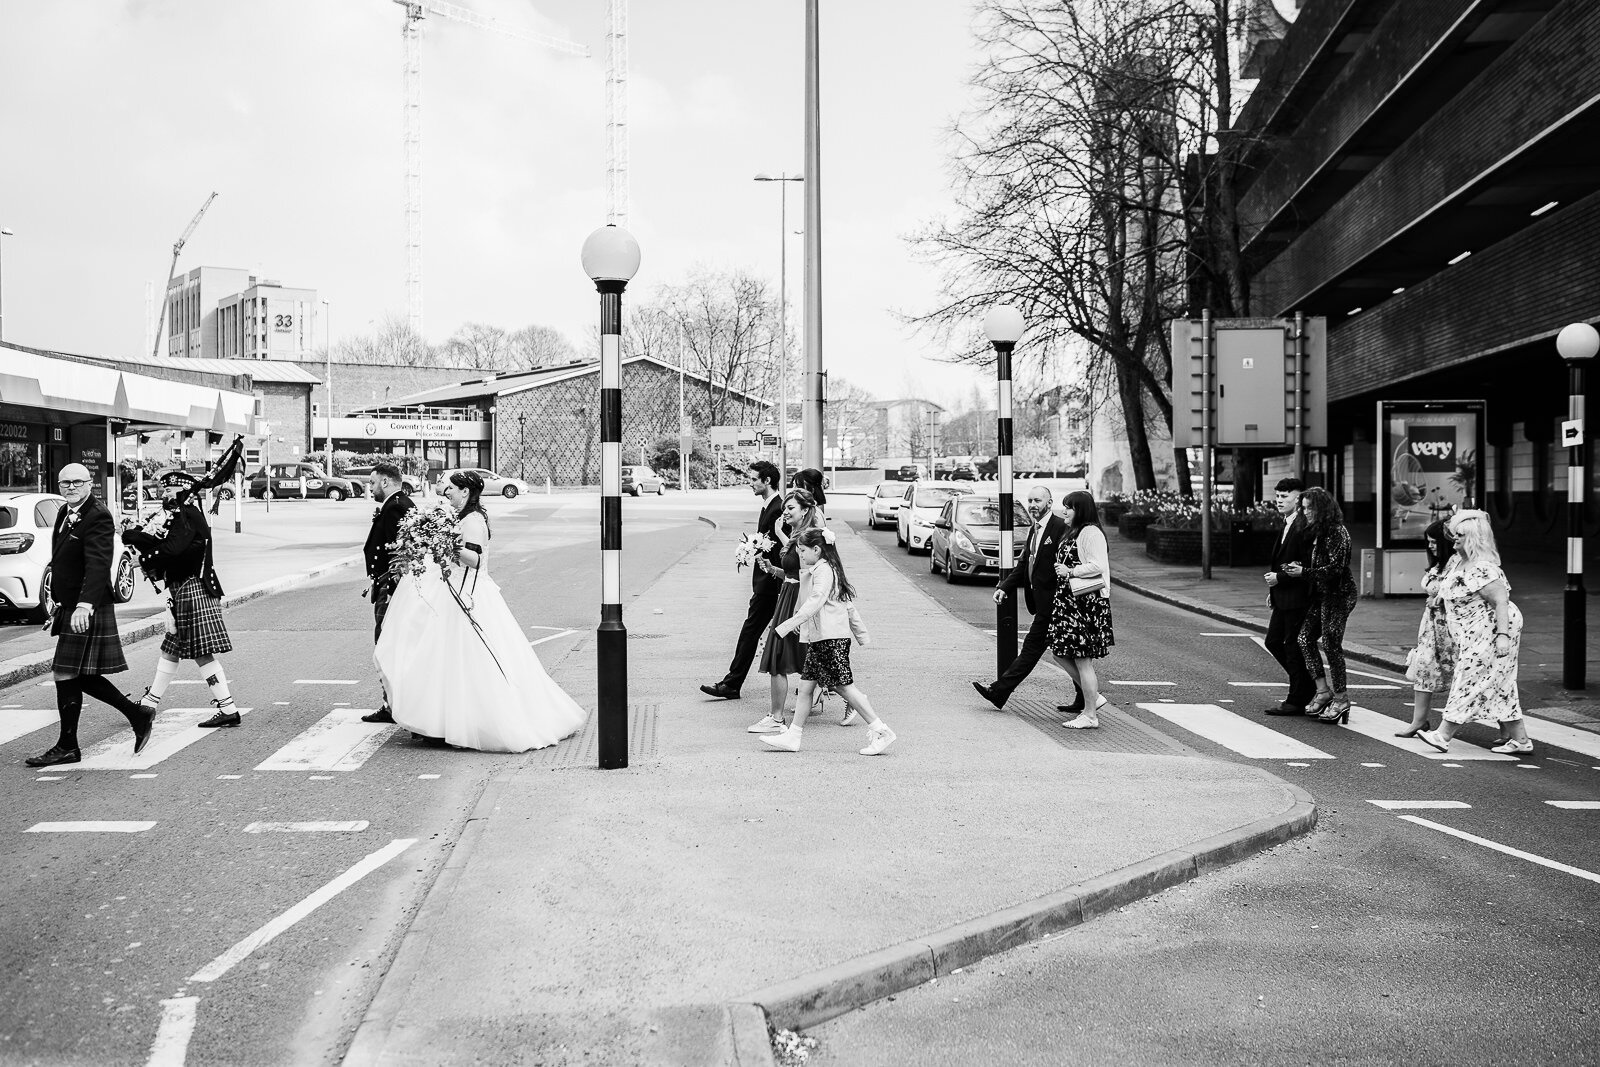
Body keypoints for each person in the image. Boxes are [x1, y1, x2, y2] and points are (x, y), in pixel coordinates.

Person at [375, 471, 587, 751]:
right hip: (450, 591)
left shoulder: (473, 521)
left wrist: (445, 543)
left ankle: (462, 722)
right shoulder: (460, 517)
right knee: (442, 660)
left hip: (468, 595)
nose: (446, 492)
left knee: (466, 662)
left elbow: (474, 560)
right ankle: (440, 720)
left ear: (466, 492)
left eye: (451, 488)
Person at [25, 464, 154, 768]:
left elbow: (98, 564)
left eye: (77, 482)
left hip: (88, 605)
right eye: (65, 482)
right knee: (79, 674)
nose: (70, 487)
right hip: (71, 604)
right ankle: (136, 716)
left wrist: (84, 605)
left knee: (65, 672)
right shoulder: (63, 512)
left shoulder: (97, 514)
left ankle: (68, 746)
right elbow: (63, 561)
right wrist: (59, 603)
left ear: (90, 484)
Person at [760, 527, 894, 754]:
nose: (800, 554)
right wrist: (861, 634)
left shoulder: (823, 571)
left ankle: (880, 730)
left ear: (816, 549)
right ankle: (793, 735)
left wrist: (784, 626)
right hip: (823, 638)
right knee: (805, 688)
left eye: (802, 550)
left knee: (844, 687)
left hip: (829, 640)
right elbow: (848, 606)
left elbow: (815, 601)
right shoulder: (828, 569)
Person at [122, 471, 239, 728]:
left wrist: (142, 557)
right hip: (183, 590)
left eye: (168, 491)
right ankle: (149, 705)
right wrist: (135, 536)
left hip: (191, 589)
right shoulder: (182, 516)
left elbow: (172, 550)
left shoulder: (188, 515)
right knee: (171, 651)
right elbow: (168, 546)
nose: (164, 495)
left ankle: (227, 708)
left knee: (202, 654)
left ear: (183, 491)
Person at [1418, 510, 1533, 756]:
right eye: (1454, 534)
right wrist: (1439, 598)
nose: (1454, 539)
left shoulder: (1484, 568)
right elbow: (1454, 588)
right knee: (1501, 684)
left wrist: (1502, 637)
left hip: (1491, 631)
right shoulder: (1459, 562)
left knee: (1468, 679)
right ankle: (1521, 740)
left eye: (1459, 535)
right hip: (1472, 631)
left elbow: (1501, 602)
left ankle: (1443, 734)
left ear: (1472, 539)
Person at [972, 486, 1081, 713]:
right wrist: (1005, 587)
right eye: (1030, 500)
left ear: (1049, 503)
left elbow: (1072, 562)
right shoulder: (1035, 528)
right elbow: (1024, 564)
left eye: (1037, 501)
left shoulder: (1060, 527)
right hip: (1044, 605)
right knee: (1067, 653)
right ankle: (1086, 698)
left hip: (1056, 605)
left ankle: (998, 691)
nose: (1032, 505)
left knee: (1033, 651)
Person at [701, 461, 783, 701]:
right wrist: (751, 550)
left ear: (767, 481)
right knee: (763, 633)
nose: (751, 482)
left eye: (755, 479)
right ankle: (732, 683)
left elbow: (780, 549)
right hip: (767, 583)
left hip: (771, 585)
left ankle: (732, 684)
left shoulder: (777, 508)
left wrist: (757, 553)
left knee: (752, 632)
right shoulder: (769, 506)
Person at [745, 488, 824, 734]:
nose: (785, 512)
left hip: (795, 601)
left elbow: (806, 576)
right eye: (785, 508)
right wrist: (772, 569)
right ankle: (778, 715)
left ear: (805, 510)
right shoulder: (796, 534)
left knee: (780, 657)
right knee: (803, 658)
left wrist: (800, 614)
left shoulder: (807, 538)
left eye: (791, 508)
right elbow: (791, 573)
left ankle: (776, 717)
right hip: (788, 597)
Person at [1296, 487, 1360, 724]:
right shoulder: (1317, 531)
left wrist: (1304, 573)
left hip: (1338, 595)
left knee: (1332, 643)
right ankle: (1323, 691)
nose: (1306, 512)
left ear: (1322, 508)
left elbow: (1336, 570)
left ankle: (1341, 699)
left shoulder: (1337, 532)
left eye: (1309, 507)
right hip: (1321, 595)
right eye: (1303, 508)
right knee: (1304, 638)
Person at [1052, 491, 1114, 730]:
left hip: (1085, 602)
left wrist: (1071, 571)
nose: (1064, 511)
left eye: (1069, 507)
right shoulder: (1075, 531)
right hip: (1070, 601)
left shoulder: (1091, 532)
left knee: (1082, 658)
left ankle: (1090, 715)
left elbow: (1098, 565)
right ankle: (1093, 698)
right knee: (1059, 652)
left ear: (1082, 510)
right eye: (1064, 506)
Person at [361, 463, 416, 725]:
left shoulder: (395, 506)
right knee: (388, 644)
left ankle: (391, 704)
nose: (370, 488)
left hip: (390, 587)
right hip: (386, 584)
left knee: (385, 644)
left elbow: (399, 552)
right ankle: (392, 702)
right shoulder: (400, 503)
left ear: (385, 482)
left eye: (372, 483)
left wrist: (393, 590)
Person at [1397, 518, 1457, 738]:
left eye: (1434, 542)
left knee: (1470, 677)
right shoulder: (1439, 563)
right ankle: (1418, 721)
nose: (1430, 546)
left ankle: (1507, 728)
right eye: (1428, 542)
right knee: (1424, 668)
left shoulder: (1459, 563)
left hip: (1453, 629)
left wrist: (1440, 599)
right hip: (1431, 628)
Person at [1262, 477, 1315, 716]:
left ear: (1299, 498)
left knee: (1292, 646)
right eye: (1278, 496)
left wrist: (1279, 579)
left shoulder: (1303, 525)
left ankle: (1297, 697)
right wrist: (1273, 590)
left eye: (1285, 496)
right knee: (1273, 642)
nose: (1279, 500)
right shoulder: (1287, 522)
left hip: (1298, 596)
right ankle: (1308, 687)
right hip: (1283, 596)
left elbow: (1307, 563)